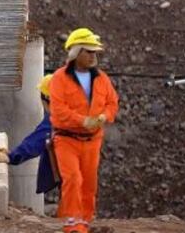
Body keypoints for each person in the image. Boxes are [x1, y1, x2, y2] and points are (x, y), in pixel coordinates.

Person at [48, 28, 119, 233]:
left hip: (92, 140)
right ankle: (72, 224)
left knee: (88, 183)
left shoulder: (101, 78)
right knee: (72, 179)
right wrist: (83, 121)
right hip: (66, 139)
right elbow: (59, 110)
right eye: (88, 52)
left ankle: (85, 223)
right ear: (76, 53)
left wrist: (105, 116)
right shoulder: (60, 78)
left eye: (94, 52)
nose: (93, 56)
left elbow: (112, 103)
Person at [0, 74, 59, 196]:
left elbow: (37, 141)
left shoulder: (56, 120)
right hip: (81, 170)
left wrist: (12, 156)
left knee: (71, 208)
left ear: (46, 99)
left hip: (70, 175)